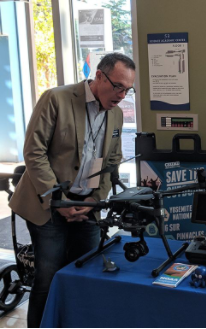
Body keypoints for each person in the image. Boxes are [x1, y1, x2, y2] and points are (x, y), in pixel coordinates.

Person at [9, 53, 136, 327]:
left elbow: (111, 162)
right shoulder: (56, 99)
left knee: (87, 272)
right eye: (118, 87)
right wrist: (59, 200)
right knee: (50, 276)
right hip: (48, 204)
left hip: (87, 205)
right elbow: (34, 152)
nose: (122, 95)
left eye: (128, 89)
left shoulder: (115, 115)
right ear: (99, 76)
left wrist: (94, 200)